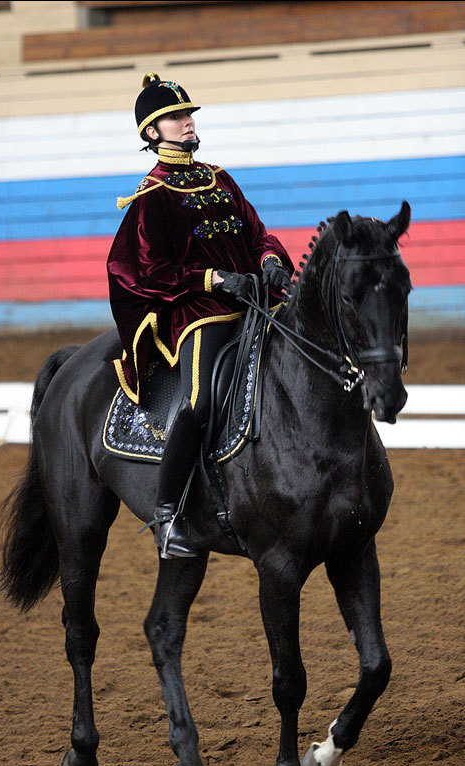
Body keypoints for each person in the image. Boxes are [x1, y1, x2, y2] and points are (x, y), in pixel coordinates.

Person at [107, 72, 294, 559]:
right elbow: (150, 270)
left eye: (189, 115)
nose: (188, 123)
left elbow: (258, 233)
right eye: (176, 117)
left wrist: (271, 260)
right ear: (153, 133)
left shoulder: (220, 177)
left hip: (254, 300)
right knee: (196, 402)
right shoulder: (152, 196)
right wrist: (212, 280)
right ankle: (168, 515)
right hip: (198, 313)